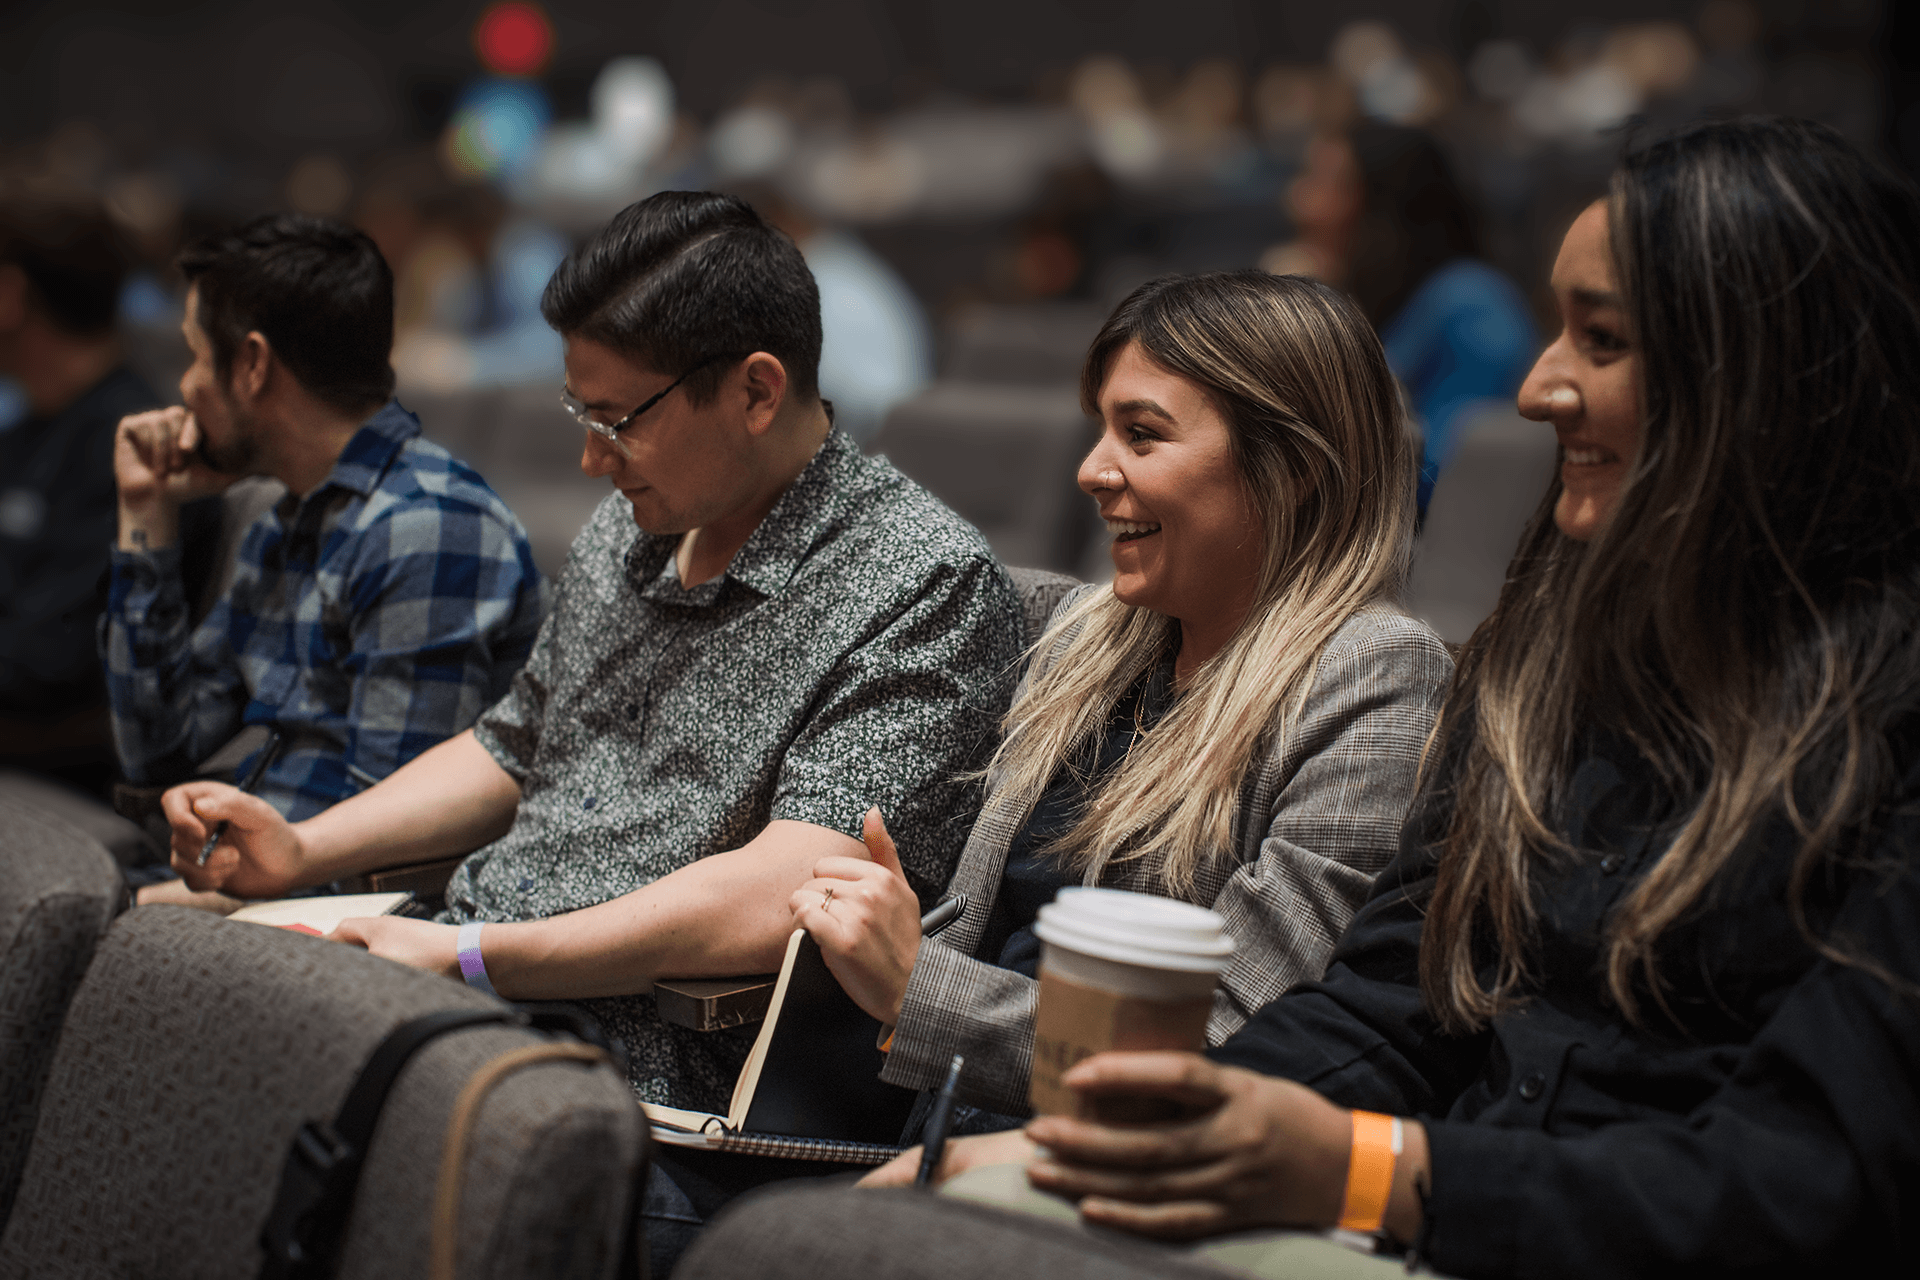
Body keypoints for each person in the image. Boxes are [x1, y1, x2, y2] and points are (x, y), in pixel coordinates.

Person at [677, 117, 1920, 1279]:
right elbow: (1389, 1013)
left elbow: (1807, 1179)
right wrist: (1141, 1140)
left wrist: (1359, 1165)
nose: (1539, 386)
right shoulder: (1538, 673)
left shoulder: (1382, 678)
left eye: (1602, 339)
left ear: (1760, 375)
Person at [161, 192, 1024, 1112]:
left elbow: (792, 890)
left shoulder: (924, 583)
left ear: (756, 391)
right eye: (580, 411)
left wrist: (470, 958)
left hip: (631, 1065)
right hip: (478, 977)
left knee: (235, 1086)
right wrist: (299, 850)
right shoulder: (638, 521)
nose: (591, 460)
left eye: (617, 421)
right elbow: (515, 742)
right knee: (166, 980)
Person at [793, 271, 1452, 1119]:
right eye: (1103, 430)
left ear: (1291, 469)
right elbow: (885, 562)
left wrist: (920, 987)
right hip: (916, 1125)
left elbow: (1237, 1043)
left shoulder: (1373, 675)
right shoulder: (1087, 629)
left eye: (1141, 436)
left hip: (1108, 1182)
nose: (1091, 471)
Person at [102, 214, 547, 837]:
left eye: (196, 356)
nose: (184, 385)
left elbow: (387, 844)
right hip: (244, 868)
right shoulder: (286, 520)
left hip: (322, 908)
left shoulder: (424, 528)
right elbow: (157, 756)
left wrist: (169, 897)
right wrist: (146, 513)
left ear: (252, 365)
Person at [1271, 123, 1536, 517]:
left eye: (1325, 183)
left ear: (1382, 208)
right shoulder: (1366, 299)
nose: (1298, 200)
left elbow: (1453, 470)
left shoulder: (1474, 305)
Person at [0, 194, 168, 797]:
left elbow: (50, 666)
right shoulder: (22, 438)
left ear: (11, 296)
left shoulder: (136, 449)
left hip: (67, 767)